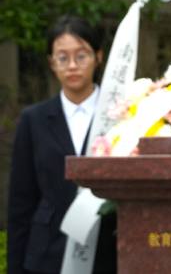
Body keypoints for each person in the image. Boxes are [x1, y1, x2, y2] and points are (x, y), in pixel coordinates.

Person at [7, 15, 116, 274]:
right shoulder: (33, 120)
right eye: (63, 57)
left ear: (98, 57)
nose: (72, 66)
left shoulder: (119, 115)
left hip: (107, 252)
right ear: (51, 63)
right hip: (48, 254)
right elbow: (21, 203)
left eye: (81, 56)